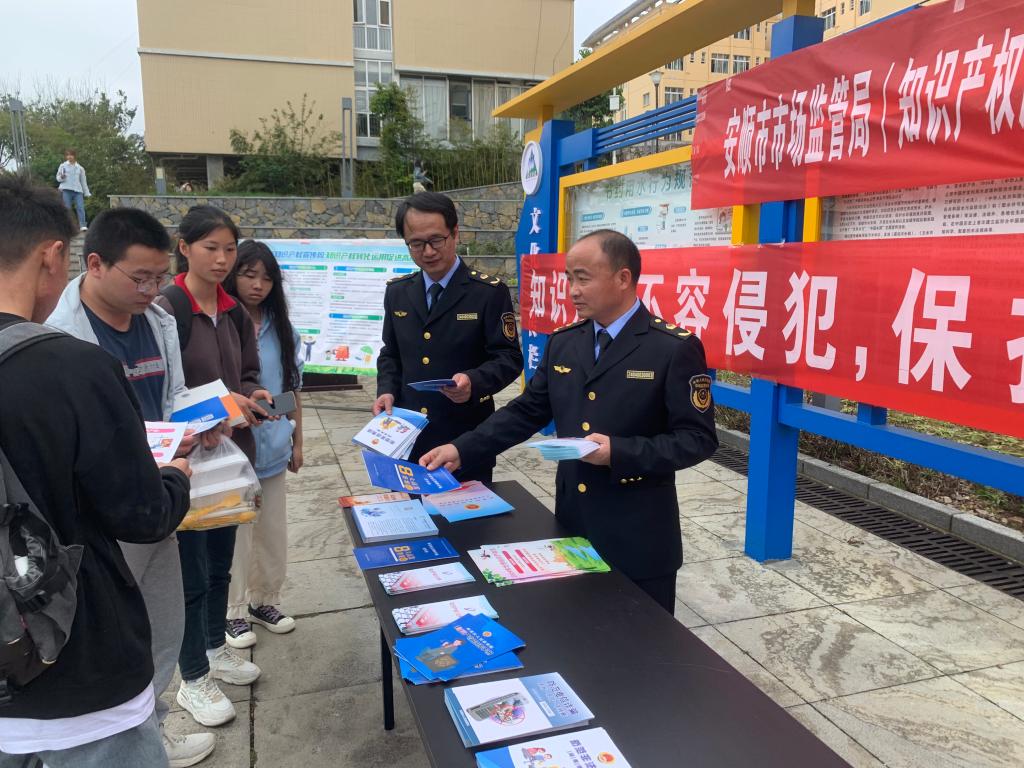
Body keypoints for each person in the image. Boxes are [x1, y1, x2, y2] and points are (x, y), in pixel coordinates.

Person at [421, 229, 718, 614]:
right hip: (573, 522)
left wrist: (619, 452)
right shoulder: (565, 342)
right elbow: (527, 410)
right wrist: (462, 448)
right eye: (569, 279)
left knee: (643, 641)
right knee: (577, 630)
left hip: (639, 536)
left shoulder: (672, 348)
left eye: (583, 278)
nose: (573, 291)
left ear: (623, 278)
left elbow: (697, 438)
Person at [0, 174, 191, 766]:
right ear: (53, 255)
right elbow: (141, 515)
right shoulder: (72, 366)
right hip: (71, 661)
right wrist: (176, 475)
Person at [46, 207, 217, 767]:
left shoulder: (158, 322)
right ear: (94, 264)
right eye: (140, 278)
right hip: (98, 519)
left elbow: (172, 398)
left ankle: (154, 731)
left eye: (159, 277)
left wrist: (197, 422)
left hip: (155, 500)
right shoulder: (57, 334)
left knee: (162, 629)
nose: (151, 290)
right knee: (110, 639)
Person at [154, 205, 272, 728]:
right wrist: (215, 410)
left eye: (229, 249)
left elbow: (246, 373)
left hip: (228, 461)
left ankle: (214, 647)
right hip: (186, 464)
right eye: (211, 248)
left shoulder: (234, 311)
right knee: (191, 577)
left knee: (221, 566)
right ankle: (193, 678)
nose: (222, 260)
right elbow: (163, 392)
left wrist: (253, 394)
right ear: (184, 248)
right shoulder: (167, 309)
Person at [374, 191, 523, 482]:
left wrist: (474, 383)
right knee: (412, 510)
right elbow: (390, 353)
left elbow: (509, 358)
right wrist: (386, 390)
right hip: (409, 439)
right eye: (416, 243)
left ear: (455, 233)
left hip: (464, 442)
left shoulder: (487, 293)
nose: (428, 251)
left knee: (469, 512)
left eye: (436, 240)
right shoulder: (397, 292)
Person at [222, 240, 304, 648]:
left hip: (272, 448)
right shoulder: (219, 325)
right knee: (236, 535)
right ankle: (233, 611)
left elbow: (291, 390)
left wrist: (297, 442)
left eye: (267, 278)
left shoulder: (283, 330)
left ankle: (264, 601)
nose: (258, 285)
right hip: (230, 451)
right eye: (248, 275)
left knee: (271, 532)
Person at [55, 150, 90, 231]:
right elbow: (58, 178)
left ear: (74, 156)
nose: (69, 157)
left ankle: (82, 225)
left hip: (78, 190)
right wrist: (62, 177)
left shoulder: (80, 168)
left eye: (71, 155)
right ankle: (69, 225)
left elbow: (83, 181)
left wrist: (86, 192)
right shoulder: (63, 166)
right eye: (67, 155)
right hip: (66, 189)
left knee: (80, 207)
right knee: (67, 208)